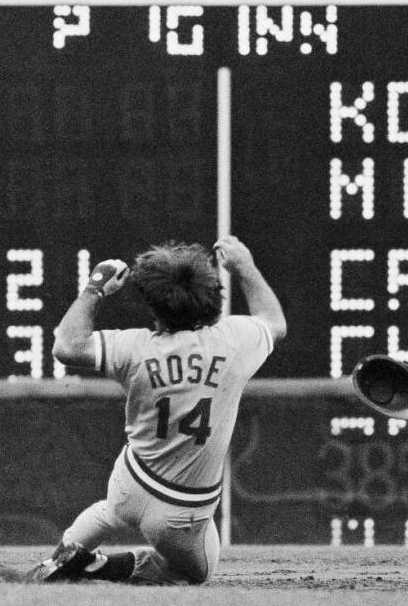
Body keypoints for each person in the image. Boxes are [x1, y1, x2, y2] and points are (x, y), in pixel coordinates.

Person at [30, 236, 286, 585]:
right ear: (211, 297)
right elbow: (274, 321)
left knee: (109, 512)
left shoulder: (135, 347)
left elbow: (66, 346)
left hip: (130, 481)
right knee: (199, 572)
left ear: (154, 303)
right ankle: (103, 567)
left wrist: (95, 288)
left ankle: (58, 558)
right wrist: (245, 266)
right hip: (181, 513)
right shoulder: (235, 341)